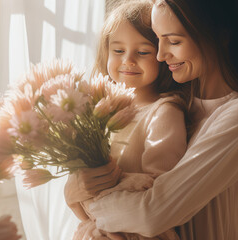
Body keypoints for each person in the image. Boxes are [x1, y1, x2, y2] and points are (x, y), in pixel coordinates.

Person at [66, 0, 238, 239]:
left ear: (221, 36)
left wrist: (84, 200)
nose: (160, 54)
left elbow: (151, 213)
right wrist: (74, 188)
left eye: (174, 41)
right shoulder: (174, 103)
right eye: (157, 39)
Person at [64, 1, 190, 239]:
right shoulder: (98, 113)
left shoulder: (164, 111)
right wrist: (76, 191)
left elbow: (157, 189)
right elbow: (80, 199)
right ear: (106, 51)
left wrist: (105, 184)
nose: (128, 61)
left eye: (143, 52)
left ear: (162, 56)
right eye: (118, 51)